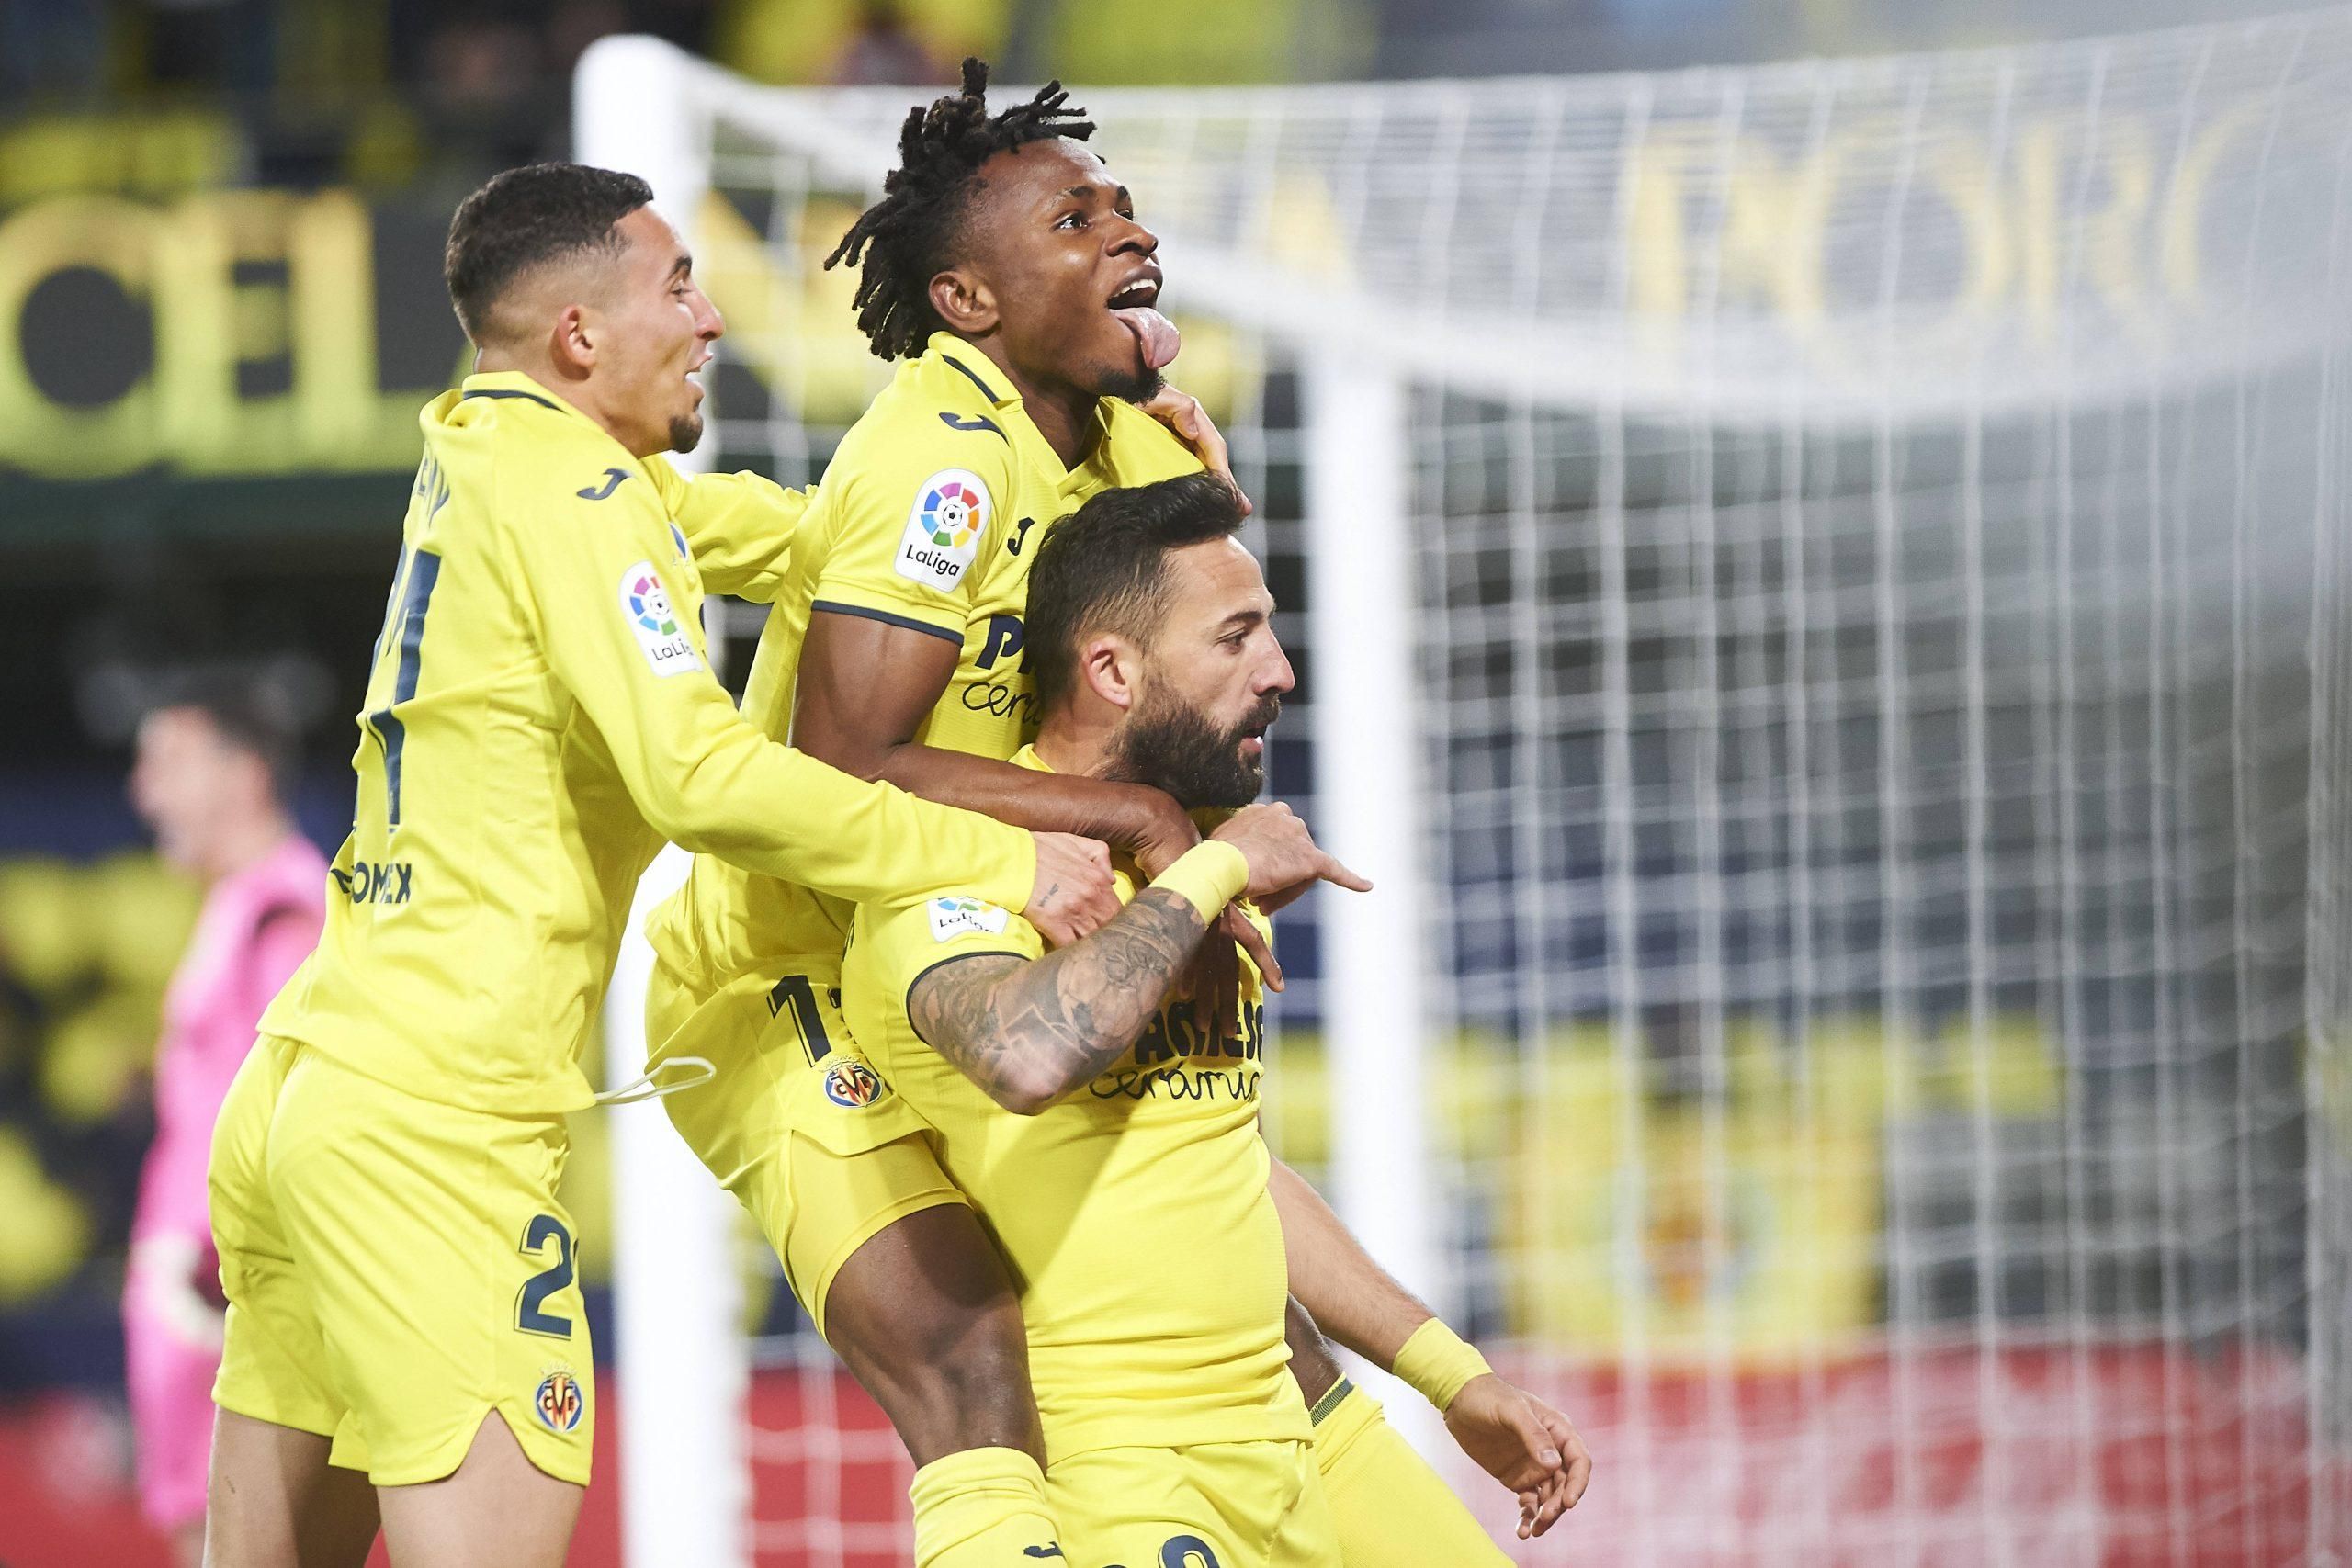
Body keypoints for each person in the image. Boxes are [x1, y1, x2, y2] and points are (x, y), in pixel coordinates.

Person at [645, 61, 1588, 1568]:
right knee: (973, 1362)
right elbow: (836, 769)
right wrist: (1149, 821)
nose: (1126, 234)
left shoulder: (1134, 442)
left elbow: (1201, 624)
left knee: (1214, 1283)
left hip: (1013, 905)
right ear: (965, 299)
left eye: (1124, 208)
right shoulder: (937, 465)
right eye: (1075, 219)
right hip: (797, 975)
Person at [200, 162, 1120, 1568]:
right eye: (678, 285)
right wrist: (1004, 852)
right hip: (436, 1123)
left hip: (309, 1091)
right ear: (581, 336)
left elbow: (823, 541)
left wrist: (1062, 469)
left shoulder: (486, 446)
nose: (708, 321)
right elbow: (702, 780)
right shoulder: (578, 488)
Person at [839, 470, 1573, 1565]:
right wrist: (1215, 868)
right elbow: (1025, 1052)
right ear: (1111, 670)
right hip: (1122, 1478)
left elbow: (1228, 1161)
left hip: (1296, 1440)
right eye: (1236, 639)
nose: (1279, 672)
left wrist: (1450, 1375)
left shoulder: (1191, 867)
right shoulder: (967, 872)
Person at [122, 675, 327, 1568]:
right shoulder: (238, 903)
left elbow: (291, 1104)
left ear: (244, 773)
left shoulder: (287, 911)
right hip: (197, 1288)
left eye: (166, 760)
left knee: (235, 1540)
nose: (144, 791)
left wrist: (212, 1263)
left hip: (223, 1291)